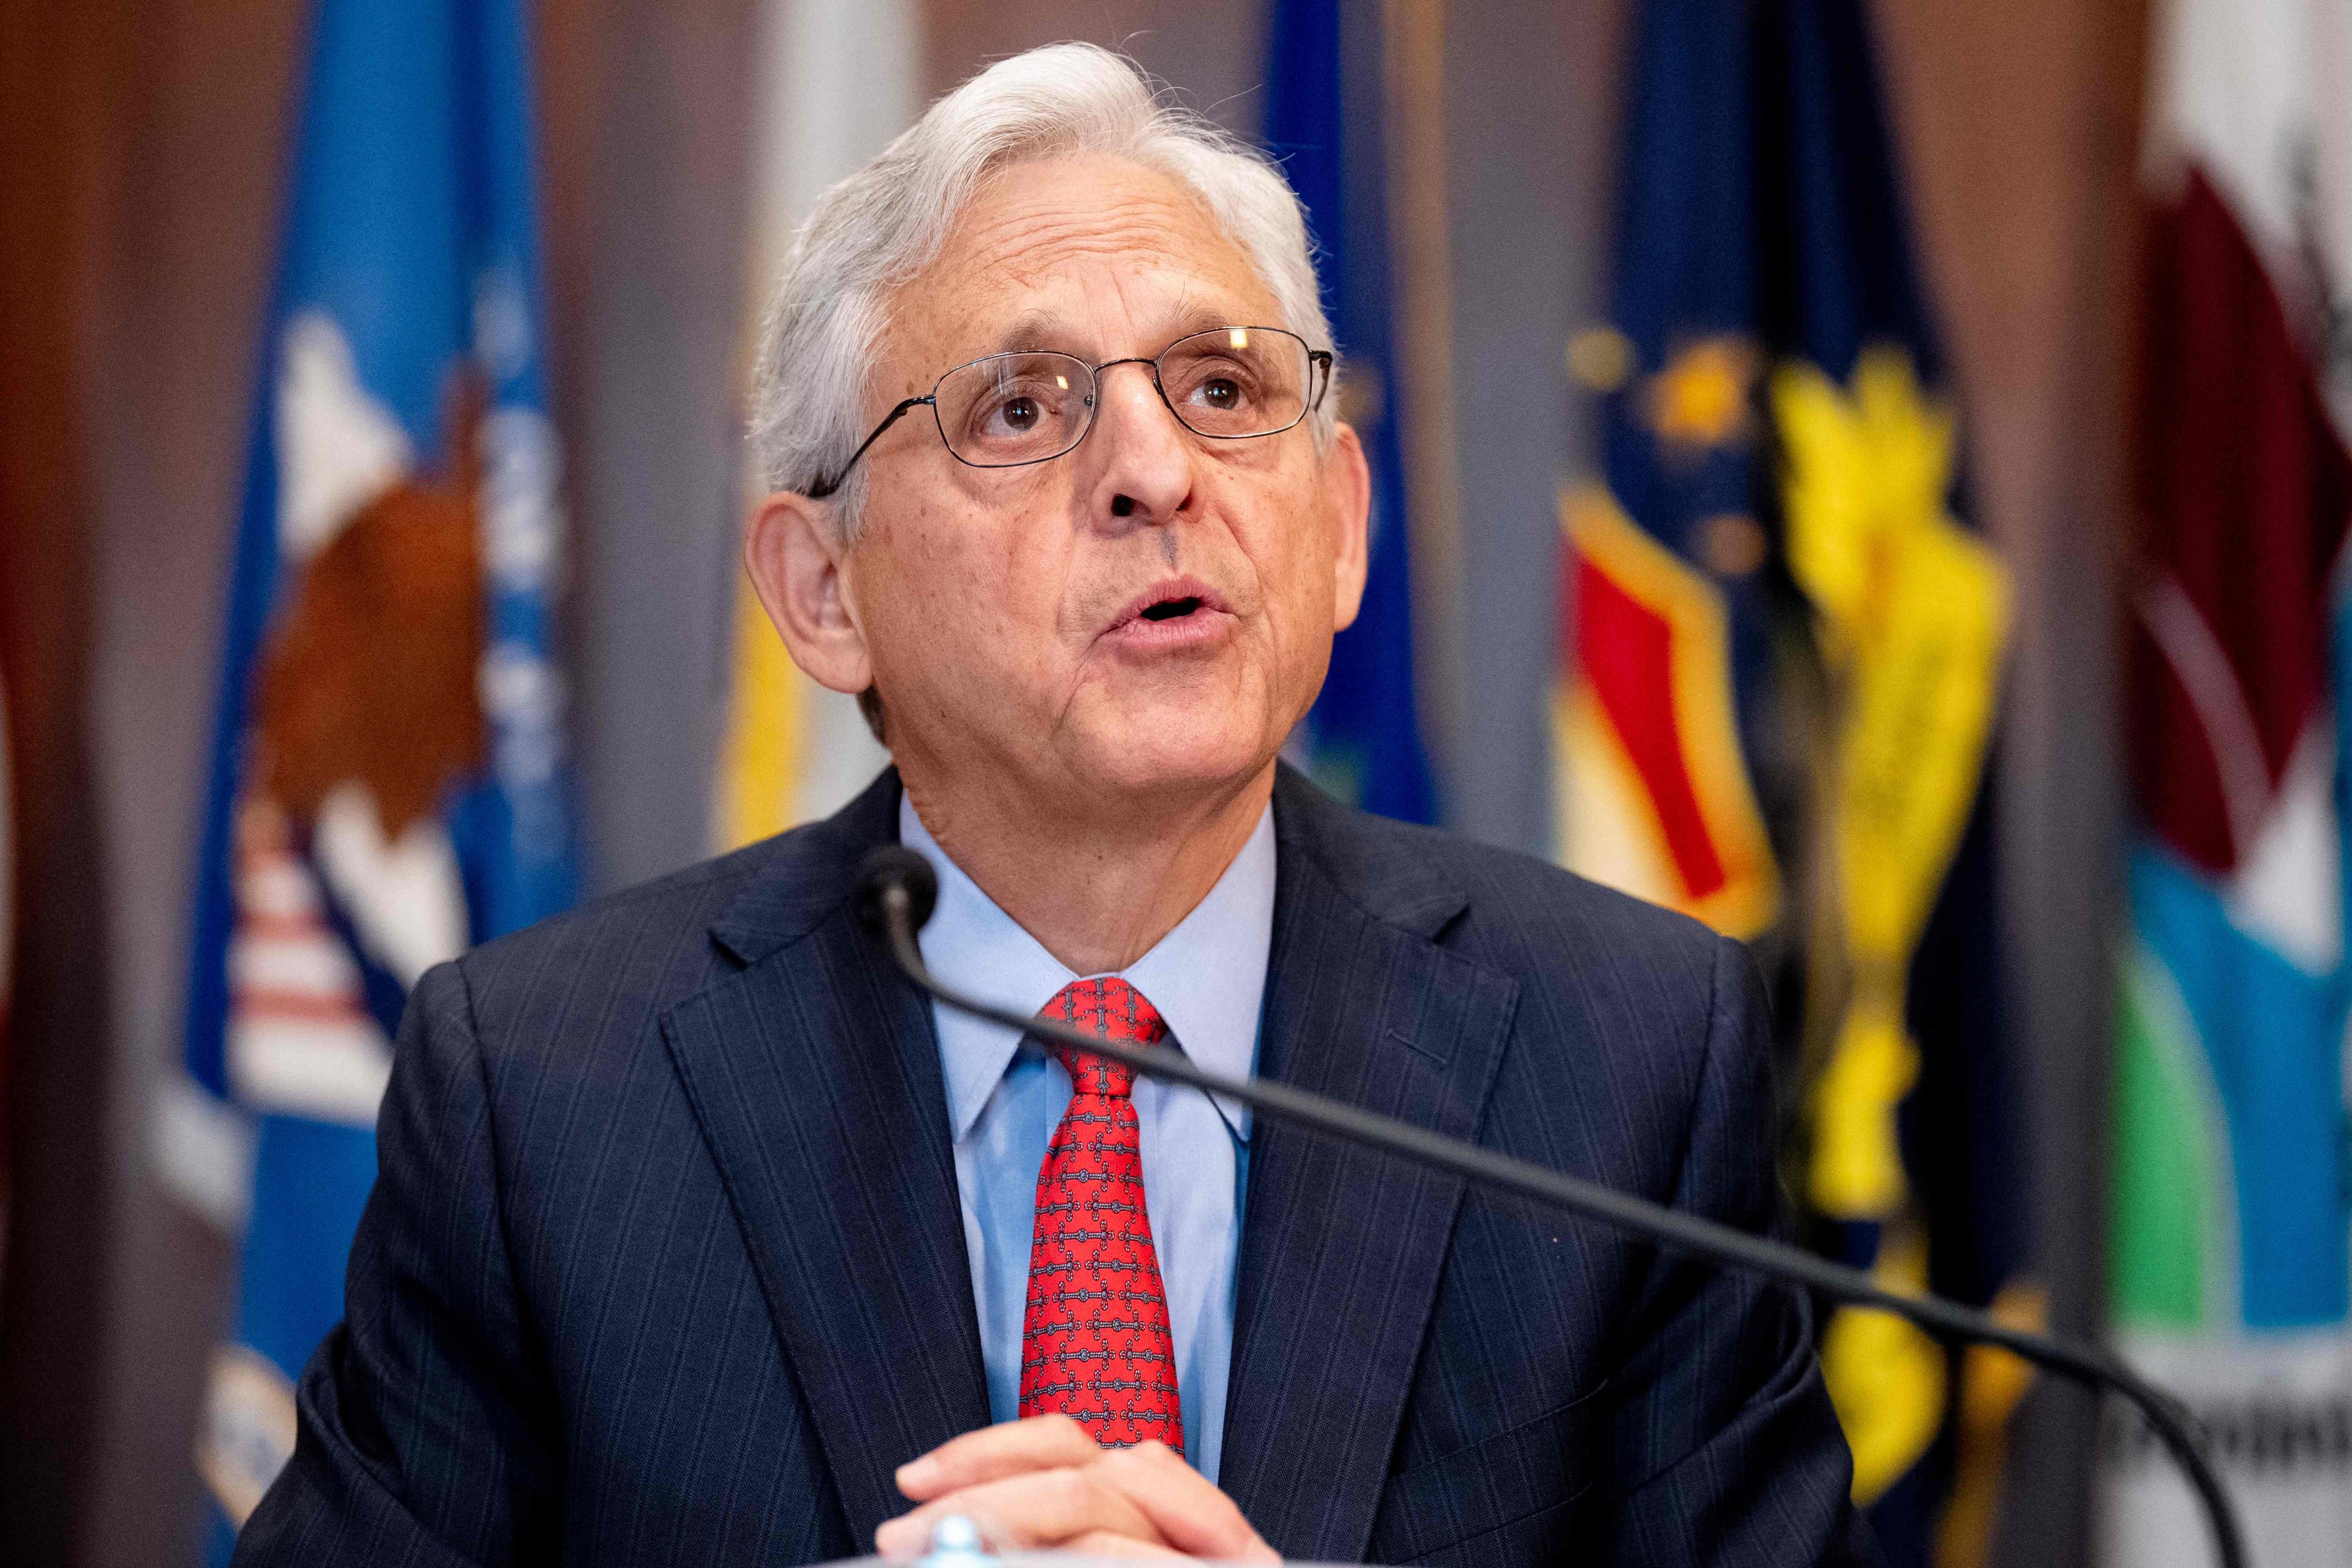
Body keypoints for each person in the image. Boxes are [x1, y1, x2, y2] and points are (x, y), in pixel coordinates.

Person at [234, 43, 1870, 1568]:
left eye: (1223, 392)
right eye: (1022, 408)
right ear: (821, 594)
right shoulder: (546, 1099)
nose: (1156, 471)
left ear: (1343, 525)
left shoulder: (1624, 1064)